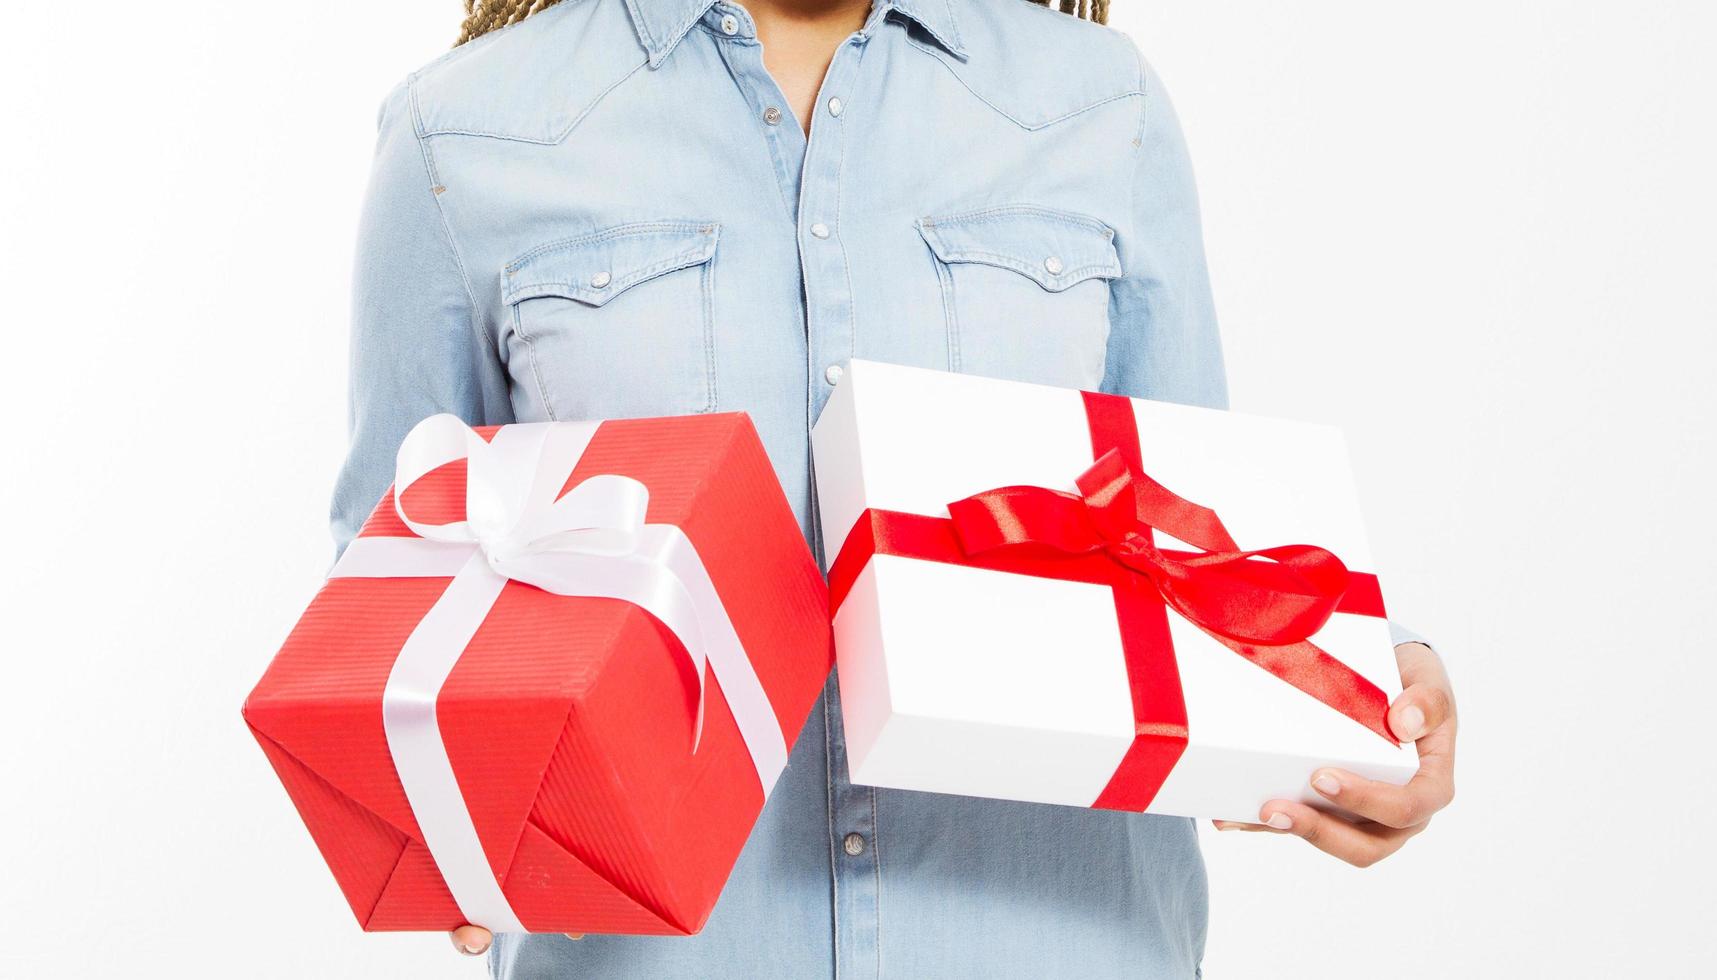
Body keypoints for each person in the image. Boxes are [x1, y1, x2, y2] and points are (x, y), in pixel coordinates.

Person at [333, 0, 1458, 974]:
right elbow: (397, 567)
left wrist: (1357, 678)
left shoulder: (1102, 106)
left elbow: (1188, 526)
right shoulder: (461, 133)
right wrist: (443, 799)